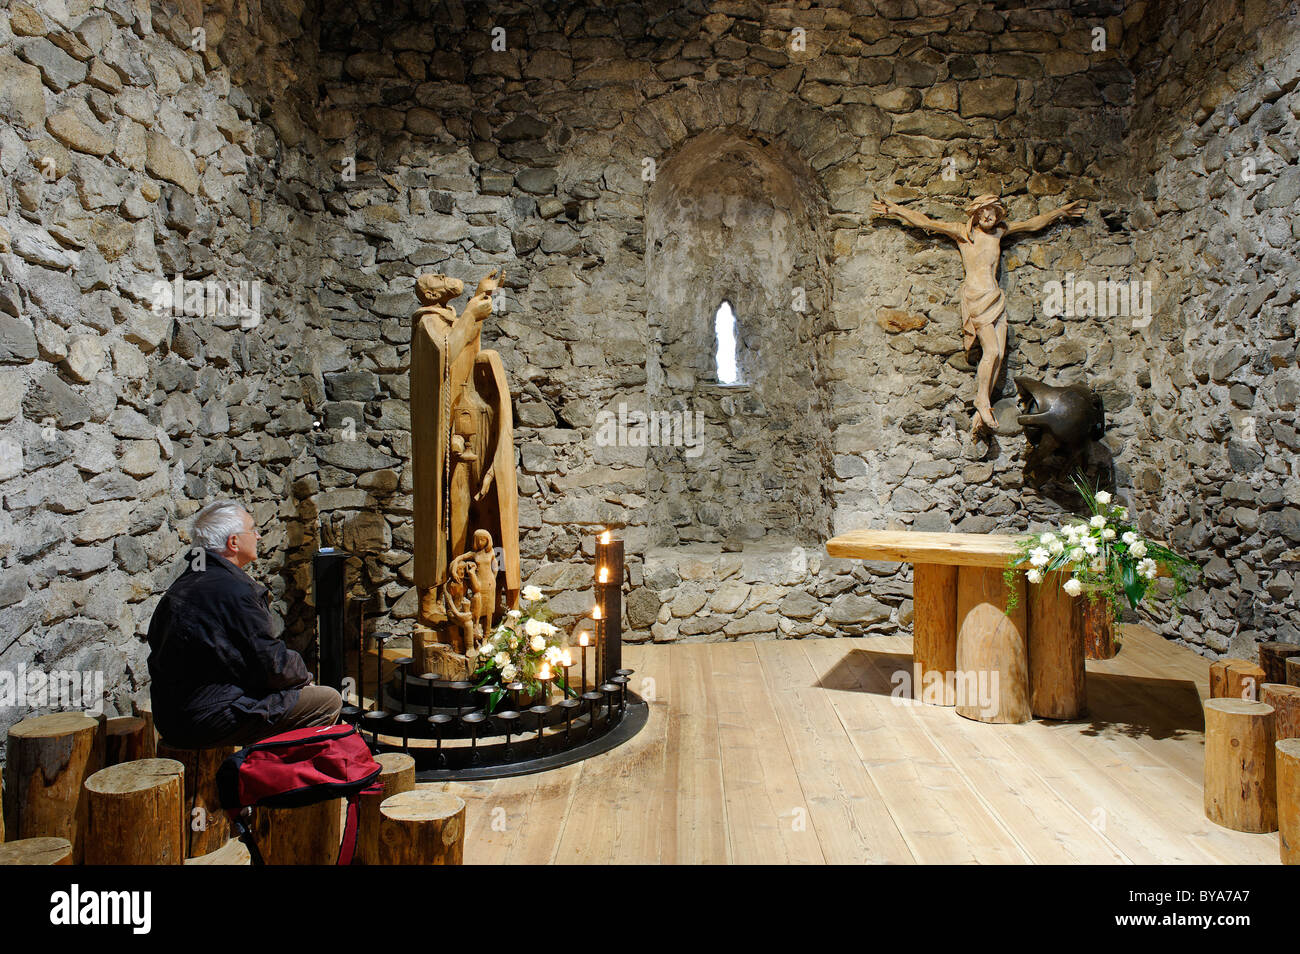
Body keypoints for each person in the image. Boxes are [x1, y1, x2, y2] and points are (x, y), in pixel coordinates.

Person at [871, 193, 1086, 434]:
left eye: (992, 212)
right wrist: (896, 210)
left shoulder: (999, 232)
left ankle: (982, 409)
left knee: (1000, 353)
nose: (988, 216)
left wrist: (1060, 212)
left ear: (998, 215)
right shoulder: (964, 233)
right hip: (976, 295)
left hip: (995, 296)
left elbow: (1032, 223)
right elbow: (926, 222)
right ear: (975, 214)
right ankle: (982, 402)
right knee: (991, 350)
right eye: (983, 212)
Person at [146, 500, 341, 748]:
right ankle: (280, 778)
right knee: (327, 700)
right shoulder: (233, 591)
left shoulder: (189, 580)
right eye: (252, 529)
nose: (258, 536)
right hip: (204, 718)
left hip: (174, 714)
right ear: (233, 542)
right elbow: (271, 663)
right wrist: (303, 677)